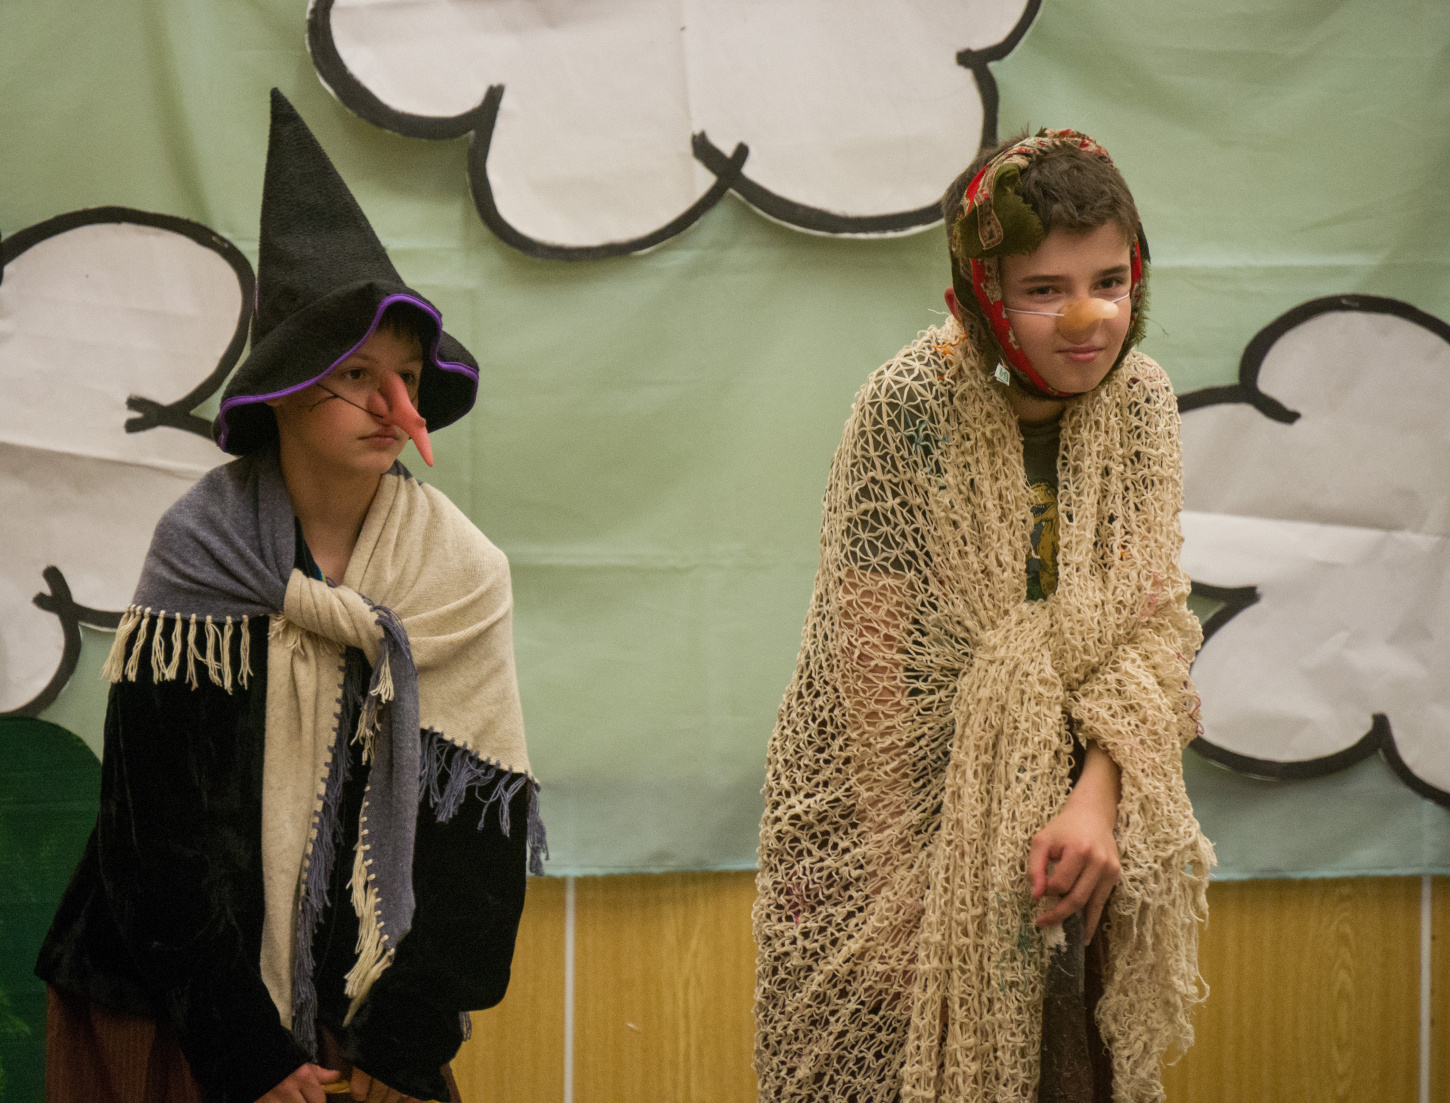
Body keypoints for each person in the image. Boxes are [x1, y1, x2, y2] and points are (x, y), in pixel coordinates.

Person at [36, 90, 544, 1103]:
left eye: (408, 376)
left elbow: (477, 854)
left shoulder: (458, 576)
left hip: (368, 1028)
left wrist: (400, 1042)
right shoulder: (200, 551)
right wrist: (244, 1050)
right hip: (177, 1015)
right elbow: (154, 840)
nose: (391, 404)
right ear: (283, 388)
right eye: (356, 374)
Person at [753, 129, 1214, 1102]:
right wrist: (897, 891)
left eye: (1109, 280)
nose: (1087, 316)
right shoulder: (909, 408)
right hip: (907, 832)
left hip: (1078, 842)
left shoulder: (1140, 404)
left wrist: (1097, 796)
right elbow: (868, 662)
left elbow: (1150, 632)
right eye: (1044, 289)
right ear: (982, 292)